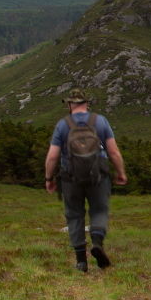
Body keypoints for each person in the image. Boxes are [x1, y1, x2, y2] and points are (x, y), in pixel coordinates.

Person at [44, 88, 127, 272]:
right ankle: (97, 242)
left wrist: (49, 178)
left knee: (74, 214)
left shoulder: (62, 125)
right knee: (99, 209)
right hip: (99, 175)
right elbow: (113, 151)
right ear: (87, 103)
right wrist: (121, 172)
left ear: (70, 104)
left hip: (70, 177)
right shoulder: (100, 121)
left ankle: (81, 261)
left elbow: (52, 156)